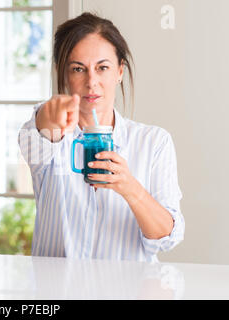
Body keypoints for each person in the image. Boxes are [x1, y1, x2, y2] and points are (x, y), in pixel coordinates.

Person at [18, 12, 184, 263]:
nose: (91, 81)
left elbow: (167, 237)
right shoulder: (51, 137)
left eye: (102, 68)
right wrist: (47, 116)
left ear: (119, 71)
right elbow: (36, 135)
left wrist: (130, 188)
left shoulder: (153, 142)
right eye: (78, 69)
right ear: (63, 74)